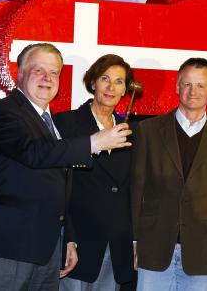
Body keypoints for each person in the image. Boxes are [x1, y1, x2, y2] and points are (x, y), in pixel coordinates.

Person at [0, 43, 132, 291]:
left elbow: (60, 182)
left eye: (54, 72)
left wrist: (67, 238)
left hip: (47, 249)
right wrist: (93, 143)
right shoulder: (3, 111)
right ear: (19, 74)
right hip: (7, 246)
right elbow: (32, 153)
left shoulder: (48, 121)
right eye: (38, 70)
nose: (47, 78)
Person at [131, 57, 207, 291]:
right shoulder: (148, 130)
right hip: (153, 245)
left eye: (201, 85)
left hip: (203, 249)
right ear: (177, 86)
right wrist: (134, 240)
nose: (194, 91)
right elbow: (136, 189)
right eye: (187, 84)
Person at [56, 54, 135, 291]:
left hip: (115, 241)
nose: (111, 87)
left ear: (125, 90)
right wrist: (67, 235)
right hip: (77, 238)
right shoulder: (66, 123)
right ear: (93, 83)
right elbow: (58, 184)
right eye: (105, 78)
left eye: (119, 81)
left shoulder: (131, 132)